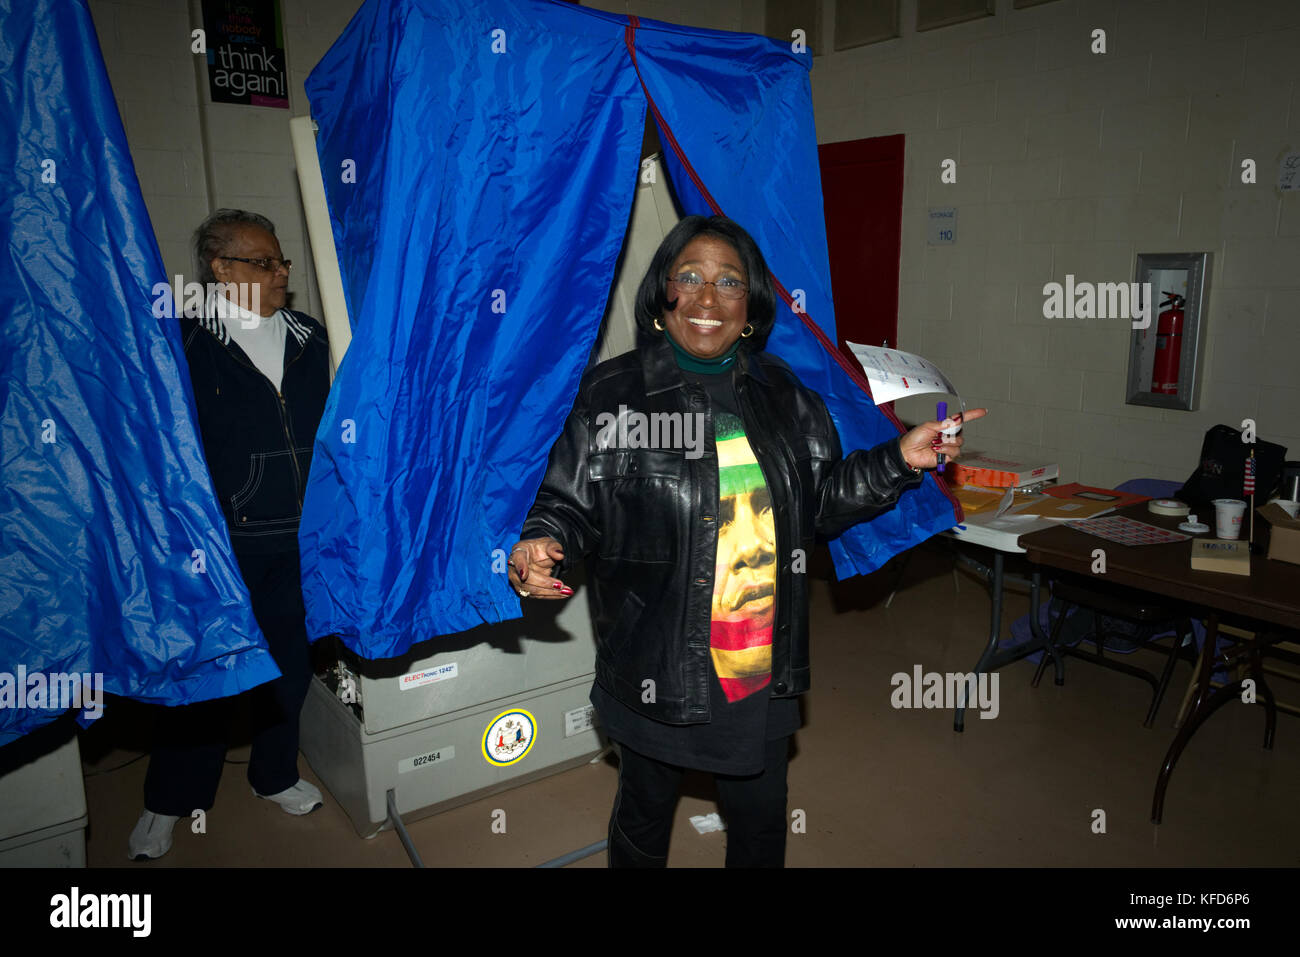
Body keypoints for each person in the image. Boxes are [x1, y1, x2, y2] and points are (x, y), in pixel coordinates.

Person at [506, 215, 984, 867]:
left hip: (757, 667)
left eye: (729, 282)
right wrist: (540, 539)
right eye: (690, 278)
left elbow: (819, 503)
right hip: (657, 661)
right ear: (662, 295)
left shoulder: (784, 395)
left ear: (752, 308)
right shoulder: (613, 397)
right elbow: (566, 502)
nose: (708, 299)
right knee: (643, 818)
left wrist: (900, 458)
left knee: (760, 826)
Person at [128, 209, 332, 860]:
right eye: (263, 263)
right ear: (220, 268)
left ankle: (275, 775)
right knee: (209, 671)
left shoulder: (310, 336)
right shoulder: (184, 343)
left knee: (290, 668)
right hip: (221, 540)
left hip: (300, 533)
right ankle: (170, 797)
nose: (281, 274)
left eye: (282, 263)